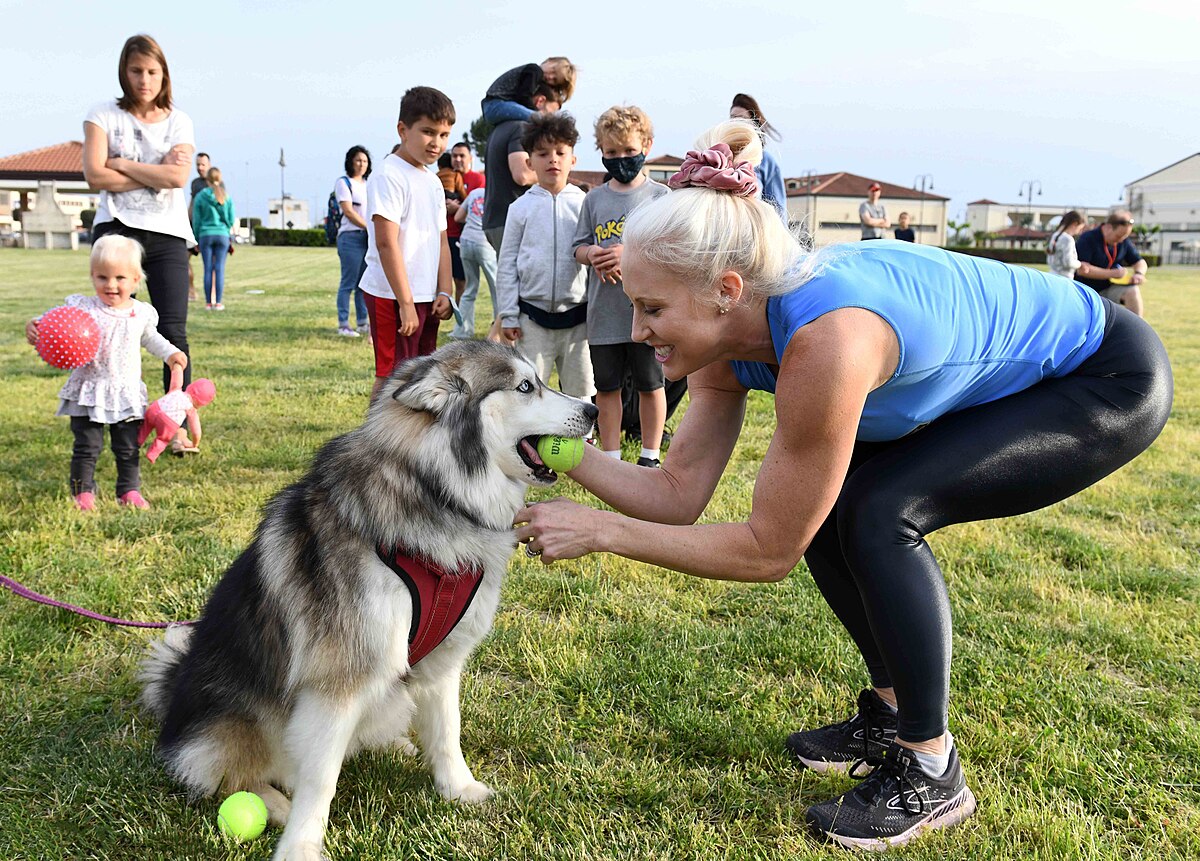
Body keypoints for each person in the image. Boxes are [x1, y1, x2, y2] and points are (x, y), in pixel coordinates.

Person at [515, 121, 1173, 850]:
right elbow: (678, 490)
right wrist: (564, 454)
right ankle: (893, 715)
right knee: (835, 511)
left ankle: (932, 768)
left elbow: (768, 551)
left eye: (654, 308)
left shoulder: (828, 339)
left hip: (1105, 376)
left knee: (879, 512)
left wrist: (602, 531)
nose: (639, 331)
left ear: (727, 291)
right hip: (1009, 380)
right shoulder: (725, 342)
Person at [24, 235, 188, 511]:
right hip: (89, 390)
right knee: (86, 446)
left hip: (125, 392)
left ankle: (128, 489)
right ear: (92, 276)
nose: (111, 285)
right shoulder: (82, 307)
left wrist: (172, 354)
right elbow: (53, 325)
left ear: (136, 280)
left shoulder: (140, 314)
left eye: (120, 278)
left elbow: (152, 339)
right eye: (102, 277)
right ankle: (83, 490)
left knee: (127, 448)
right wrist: (35, 326)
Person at [84, 34, 195, 403]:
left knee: (173, 329)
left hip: (167, 233)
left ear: (164, 74)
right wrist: (154, 170)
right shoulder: (102, 115)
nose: (144, 80)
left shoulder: (179, 122)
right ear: (124, 72)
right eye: (136, 71)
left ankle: (175, 417)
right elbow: (95, 176)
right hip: (116, 230)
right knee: (109, 323)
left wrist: (121, 164)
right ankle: (107, 407)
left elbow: (177, 178)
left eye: (151, 71)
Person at [573, 105, 669, 467]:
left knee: (651, 384)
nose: (621, 159)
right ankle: (611, 455)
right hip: (604, 315)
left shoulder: (661, 197)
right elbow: (577, 247)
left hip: (647, 312)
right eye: (611, 153)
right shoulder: (594, 199)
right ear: (601, 151)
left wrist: (630, 253)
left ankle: (650, 454)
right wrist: (592, 253)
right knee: (606, 388)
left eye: (630, 151)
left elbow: (670, 249)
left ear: (646, 145)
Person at [359, 86, 455, 400]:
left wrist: (445, 290)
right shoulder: (389, 174)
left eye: (444, 134)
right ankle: (374, 445)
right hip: (392, 296)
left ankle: (410, 444)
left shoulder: (432, 181)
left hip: (427, 296)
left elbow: (441, 240)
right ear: (403, 129)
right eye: (428, 132)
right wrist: (405, 303)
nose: (436, 143)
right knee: (391, 377)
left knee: (422, 374)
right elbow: (386, 243)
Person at [496, 113, 593, 401]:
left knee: (581, 390)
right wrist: (509, 315)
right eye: (543, 153)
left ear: (573, 159)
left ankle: (584, 442)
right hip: (531, 320)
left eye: (561, 153)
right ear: (529, 162)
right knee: (529, 390)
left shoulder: (586, 204)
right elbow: (507, 265)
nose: (553, 159)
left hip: (579, 319)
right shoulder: (520, 208)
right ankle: (531, 442)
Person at [482, 83, 561, 254]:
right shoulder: (521, 127)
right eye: (551, 113)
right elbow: (522, 175)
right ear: (540, 101)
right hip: (510, 220)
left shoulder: (500, 129)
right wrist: (556, 176)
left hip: (495, 219)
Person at [331, 145, 372, 338]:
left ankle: (363, 322)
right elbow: (348, 210)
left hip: (367, 238)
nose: (361, 164)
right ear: (350, 162)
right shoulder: (343, 183)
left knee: (363, 284)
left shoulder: (368, 184)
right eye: (358, 160)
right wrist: (368, 227)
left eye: (364, 161)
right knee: (347, 282)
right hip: (351, 237)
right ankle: (344, 324)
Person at [1075, 209, 1148, 317]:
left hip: (1108, 289)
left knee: (1133, 291)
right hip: (1085, 291)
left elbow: (1140, 262)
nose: (1121, 240)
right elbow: (1082, 270)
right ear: (1108, 227)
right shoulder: (1088, 238)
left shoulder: (1123, 241)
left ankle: (1138, 331)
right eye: (1119, 236)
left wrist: (1139, 273)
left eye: (1125, 236)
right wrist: (1113, 274)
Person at [729, 93, 787, 223]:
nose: (736, 123)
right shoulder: (720, 157)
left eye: (741, 118)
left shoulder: (765, 161)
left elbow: (778, 209)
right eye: (732, 118)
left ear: (754, 123)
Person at [450, 182, 497, 340]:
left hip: (466, 241)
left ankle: (461, 331)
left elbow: (458, 217)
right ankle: (498, 330)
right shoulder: (496, 194)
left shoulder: (475, 192)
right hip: (485, 243)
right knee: (497, 290)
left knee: (469, 289)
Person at [446, 141, 486, 305]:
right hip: (446, 234)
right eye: (454, 156)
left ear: (470, 158)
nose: (458, 159)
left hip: (468, 237)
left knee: (463, 282)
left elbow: (480, 206)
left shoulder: (478, 179)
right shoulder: (445, 177)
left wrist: (458, 209)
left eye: (462, 156)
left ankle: (461, 319)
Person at [481, 57, 575, 124]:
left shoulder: (536, 77)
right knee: (541, 119)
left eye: (554, 80)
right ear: (549, 61)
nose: (550, 76)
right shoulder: (535, 71)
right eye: (553, 70)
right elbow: (523, 96)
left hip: (492, 107)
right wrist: (535, 111)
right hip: (496, 104)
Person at [191, 166, 234, 311]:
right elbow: (230, 219)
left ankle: (209, 303)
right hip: (222, 234)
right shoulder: (225, 196)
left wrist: (196, 237)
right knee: (219, 269)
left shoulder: (201, 196)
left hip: (205, 234)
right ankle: (219, 302)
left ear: (207, 180)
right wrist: (226, 229)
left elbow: (197, 220)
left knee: (208, 269)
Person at [187, 151, 210, 301]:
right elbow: (192, 203)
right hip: (192, 228)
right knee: (184, 258)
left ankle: (213, 297)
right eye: (198, 165)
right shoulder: (195, 183)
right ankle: (191, 290)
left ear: (209, 165)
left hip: (206, 228)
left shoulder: (215, 183)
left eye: (202, 164)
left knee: (209, 264)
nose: (200, 168)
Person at [1046, 210, 1086, 279]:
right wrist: (1080, 264)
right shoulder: (1068, 239)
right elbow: (1068, 262)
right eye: (1080, 228)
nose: (1079, 232)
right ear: (1075, 224)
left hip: (1052, 275)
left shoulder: (1055, 235)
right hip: (1064, 278)